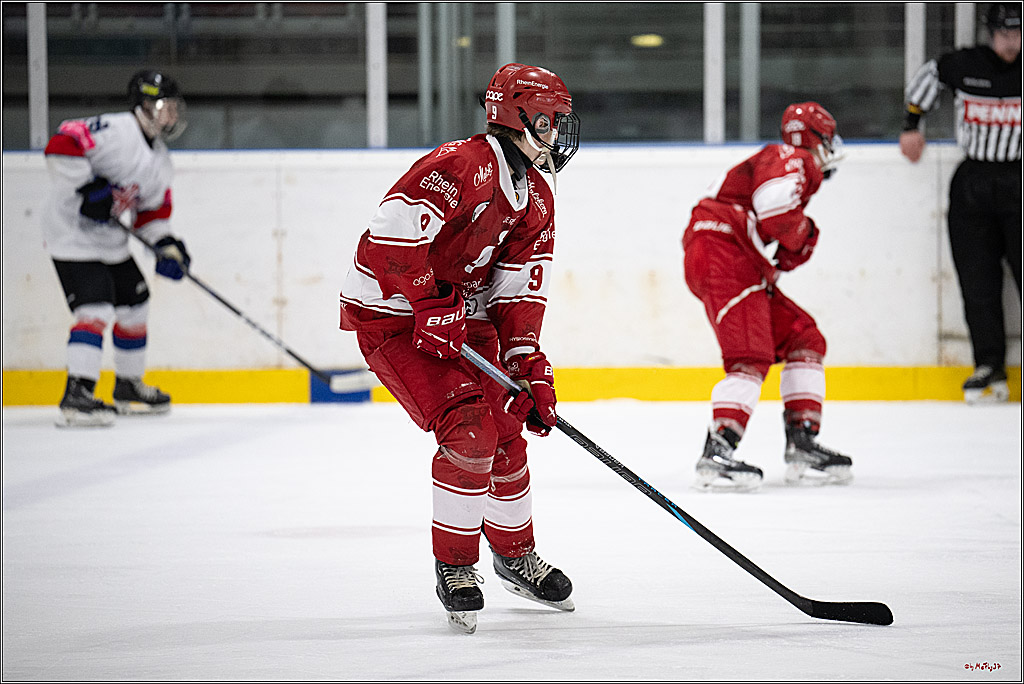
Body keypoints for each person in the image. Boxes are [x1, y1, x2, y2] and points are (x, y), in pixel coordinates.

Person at [339, 63, 580, 633]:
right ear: (518, 118)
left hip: (457, 315)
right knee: (469, 428)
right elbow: (389, 238)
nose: (557, 134)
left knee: (507, 425)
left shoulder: (537, 196)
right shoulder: (460, 166)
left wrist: (527, 362)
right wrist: (427, 300)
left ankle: (516, 556)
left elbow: (517, 292)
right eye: (548, 121)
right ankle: (455, 566)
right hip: (393, 315)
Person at [681, 102, 853, 492]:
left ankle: (802, 442)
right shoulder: (795, 158)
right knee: (750, 354)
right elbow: (775, 210)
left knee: (803, 336)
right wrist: (804, 235)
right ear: (815, 139)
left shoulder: (779, 159)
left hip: (731, 256)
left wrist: (790, 245)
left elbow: (768, 215)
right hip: (723, 255)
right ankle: (718, 450)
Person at [42, 69, 191, 428]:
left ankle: (127, 385)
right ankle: (78, 392)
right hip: (71, 235)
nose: (171, 115)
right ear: (143, 107)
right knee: (95, 307)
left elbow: (151, 215)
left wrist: (166, 246)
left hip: (110, 240)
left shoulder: (160, 160)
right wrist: (86, 187)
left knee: (135, 304)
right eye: (165, 107)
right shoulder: (117, 131)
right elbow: (61, 143)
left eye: (174, 108)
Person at [899, 2, 1022, 404]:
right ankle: (989, 365)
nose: (1011, 42)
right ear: (991, 33)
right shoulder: (966, 65)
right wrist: (911, 125)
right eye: (1004, 34)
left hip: (1019, 179)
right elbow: (929, 78)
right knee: (977, 279)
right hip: (974, 183)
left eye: (1018, 34)